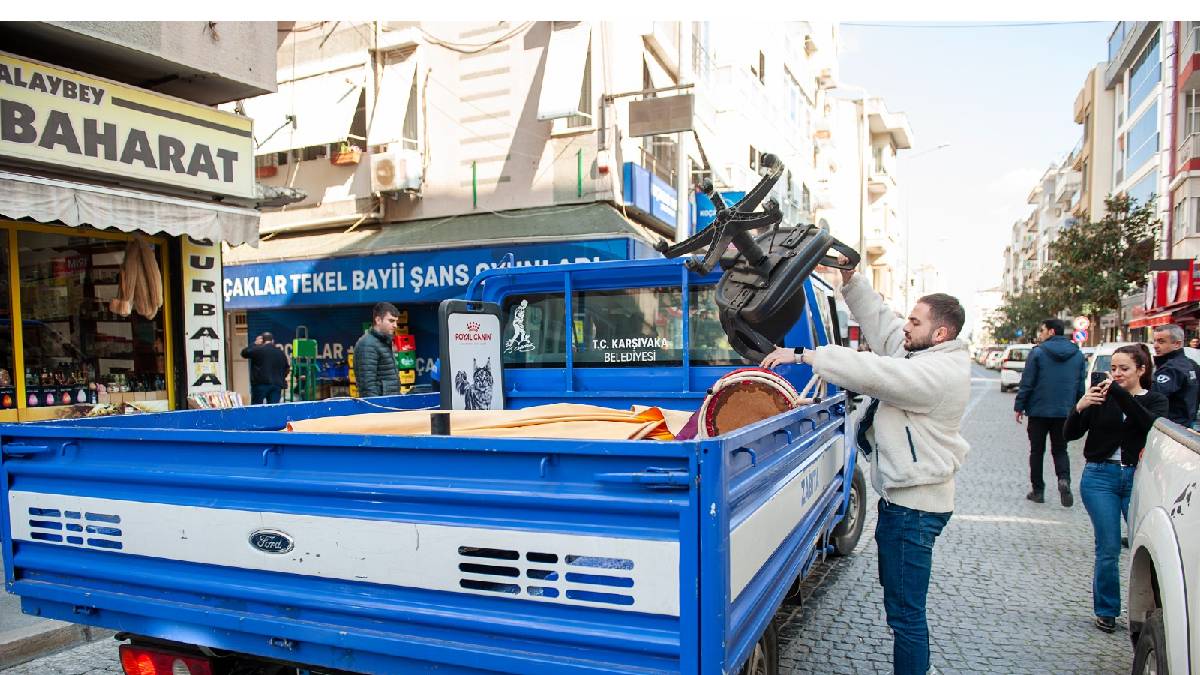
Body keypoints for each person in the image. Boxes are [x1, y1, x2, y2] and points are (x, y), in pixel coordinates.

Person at [760, 261, 970, 675]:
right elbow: (885, 330)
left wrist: (805, 354)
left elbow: (875, 372)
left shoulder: (937, 374)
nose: (905, 325)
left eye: (915, 321)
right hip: (905, 505)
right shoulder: (925, 355)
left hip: (914, 512)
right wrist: (852, 280)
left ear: (940, 333)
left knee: (906, 615)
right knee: (901, 606)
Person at [1064, 344, 1167, 634]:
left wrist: (1120, 395)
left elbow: (1149, 425)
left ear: (1141, 370)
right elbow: (1070, 434)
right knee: (1108, 547)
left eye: (1124, 368)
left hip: (1138, 478)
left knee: (1147, 546)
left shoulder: (1156, 400)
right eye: (1113, 368)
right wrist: (1080, 407)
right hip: (1100, 478)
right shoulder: (1101, 398)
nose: (1117, 374)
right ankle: (1107, 611)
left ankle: (1152, 614)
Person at [1013, 319, 1086, 506]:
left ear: (1051, 331)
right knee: (1061, 450)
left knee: (1037, 451)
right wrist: (1078, 409)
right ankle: (1064, 479)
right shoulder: (1077, 355)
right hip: (1064, 412)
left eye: (1042, 330)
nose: (1040, 334)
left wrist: (1019, 406)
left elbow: (1027, 382)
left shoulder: (1038, 352)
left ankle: (1038, 491)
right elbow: (1080, 386)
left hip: (1038, 411)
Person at [1149, 324, 1199, 427]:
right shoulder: (1192, 364)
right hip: (1186, 425)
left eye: (1161, 341)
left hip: (1170, 427)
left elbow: (1153, 397)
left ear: (1177, 344)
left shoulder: (1171, 368)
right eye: (1155, 341)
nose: (1155, 345)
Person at [353, 302, 402, 398]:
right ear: (378, 320)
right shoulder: (367, 344)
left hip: (389, 401)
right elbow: (367, 385)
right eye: (391, 321)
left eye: (396, 321)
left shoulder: (384, 341)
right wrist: (375, 405)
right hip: (380, 404)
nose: (395, 325)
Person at [240, 332, 289, 404]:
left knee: (257, 407)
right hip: (276, 385)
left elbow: (244, 353)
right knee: (273, 408)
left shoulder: (257, 350)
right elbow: (286, 368)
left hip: (260, 384)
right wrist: (280, 377)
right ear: (272, 341)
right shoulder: (281, 353)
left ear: (262, 341)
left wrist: (254, 344)